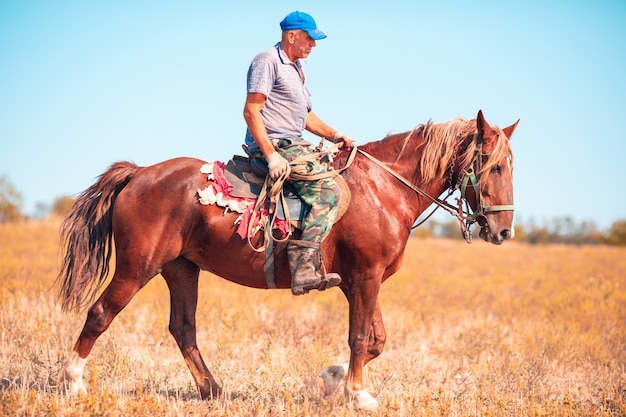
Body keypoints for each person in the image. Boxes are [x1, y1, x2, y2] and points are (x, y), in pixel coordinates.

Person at [243, 11, 354, 296]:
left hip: (294, 144)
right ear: (291, 36)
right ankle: (303, 267)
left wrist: (335, 135)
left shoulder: (297, 68)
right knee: (330, 194)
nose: (313, 45)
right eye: (309, 38)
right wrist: (271, 155)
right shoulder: (267, 61)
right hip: (277, 146)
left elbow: (304, 117)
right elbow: (251, 111)